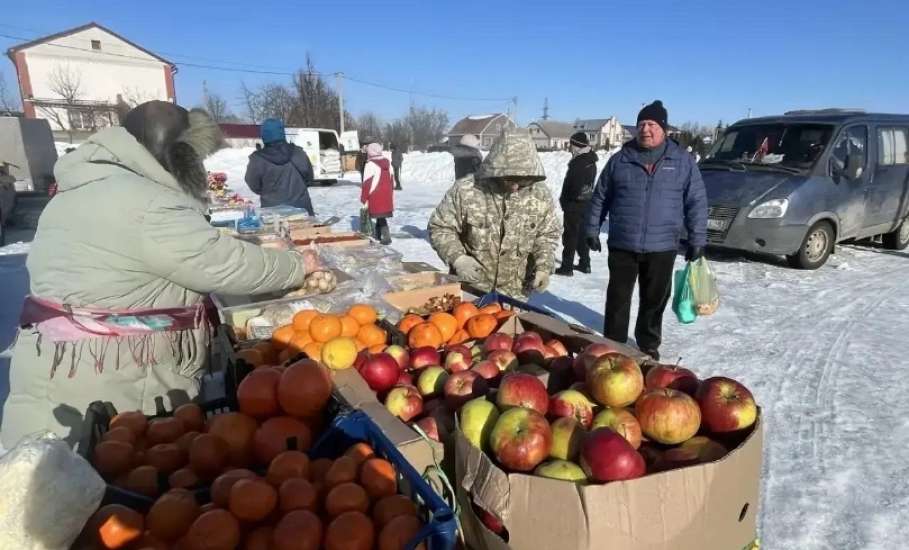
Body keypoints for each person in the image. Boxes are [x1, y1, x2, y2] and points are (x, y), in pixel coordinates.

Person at [0, 101, 320, 448]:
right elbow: (223, 264)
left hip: (70, 369)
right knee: (117, 479)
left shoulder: (93, 185)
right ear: (176, 155)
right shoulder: (147, 202)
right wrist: (297, 265)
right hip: (111, 379)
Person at [585, 100, 707, 360]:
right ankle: (613, 342)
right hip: (623, 243)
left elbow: (696, 201)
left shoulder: (682, 162)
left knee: (654, 301)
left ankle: (648, 344)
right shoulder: (620, 160)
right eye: (641, 124)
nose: (646, 129)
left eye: (652, 124)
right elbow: (600, 196)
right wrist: (592, 228)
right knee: (618, 298)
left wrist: (697, 239)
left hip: (662, 246)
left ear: (663, 129)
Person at [428, 130, 561, 300]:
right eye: (508, 179)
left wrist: (544, 265)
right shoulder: (467, 190)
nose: (514, 187)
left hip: (515, 296)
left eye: (522, 181)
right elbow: (440, 227)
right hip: (471, 291)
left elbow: (547, 235)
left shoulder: (540, 195)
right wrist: (458, 258)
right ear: (496, 169)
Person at [244, 119, 315, 215]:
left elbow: (253, 184)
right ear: (282, 132)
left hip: (273, 213)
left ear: (264, 135)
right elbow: (309, 179)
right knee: (305, 230)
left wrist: (268, 191)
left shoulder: (258, 159)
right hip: (302, 210)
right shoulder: (298, 153)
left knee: (277, 230)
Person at [555, 132, 598, 277]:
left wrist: (566, 201)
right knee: (581, 235)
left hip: (574, 205)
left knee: (570, 235)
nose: (570, 147)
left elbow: (574, 186)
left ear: (576, 145)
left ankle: (567, 267)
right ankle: (585, 263)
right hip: (585, 203)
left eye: (571, 144)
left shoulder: (580, 162)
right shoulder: (590, 158)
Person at [360, 142, 395, 245]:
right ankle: (379, 234)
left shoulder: (370, 164)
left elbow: (367, 183)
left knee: (378, 215)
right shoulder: (387, 162)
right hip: (386, 193)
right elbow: (392, 179)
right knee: (381, 215)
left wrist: (364, 197)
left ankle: (386, 236)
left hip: (375, 194)